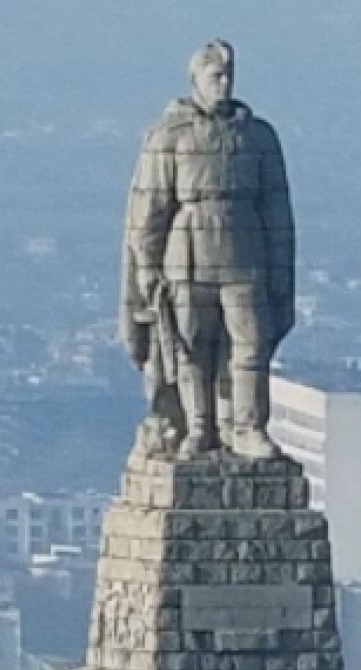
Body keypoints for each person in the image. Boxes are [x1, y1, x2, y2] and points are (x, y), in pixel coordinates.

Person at [120, 40, 295, 459]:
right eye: (216, 75)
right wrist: (147, 266)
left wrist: (280, 266)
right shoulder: (168, 137)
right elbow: (150, 207)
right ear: (196, 79)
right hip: (187, 255)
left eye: (229, 75)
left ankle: (248, 425)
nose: (224, 83)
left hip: (244, 253)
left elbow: (277, 207)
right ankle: (197, 426)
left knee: (249, 345)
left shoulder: (258, 137)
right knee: (190, 346)